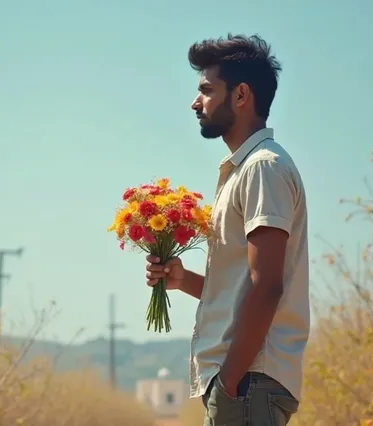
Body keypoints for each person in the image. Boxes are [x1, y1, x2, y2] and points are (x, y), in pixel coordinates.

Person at [145, 34, 310, 425]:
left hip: (249, 381)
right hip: (243, 381)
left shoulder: (263, 167)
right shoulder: (244, 170)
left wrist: (231, 380)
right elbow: (243, 288)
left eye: (206, 89)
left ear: (240, 95)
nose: (195, 102)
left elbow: (267, 285)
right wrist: (183, 279)